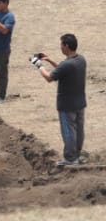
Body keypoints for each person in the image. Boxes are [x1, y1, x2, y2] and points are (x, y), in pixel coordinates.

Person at [32, 33, 87, 166]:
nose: (60, 47)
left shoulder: (66, 65)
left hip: (66, 105)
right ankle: (77, 156)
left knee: (69, 131)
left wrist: (39, 65)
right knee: (79, 130)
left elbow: (49, 77)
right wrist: (49, 60)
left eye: (61, 44)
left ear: (66, 46)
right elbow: (63, 69)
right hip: (80, 103)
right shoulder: (81, 60)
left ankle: (69, 158)